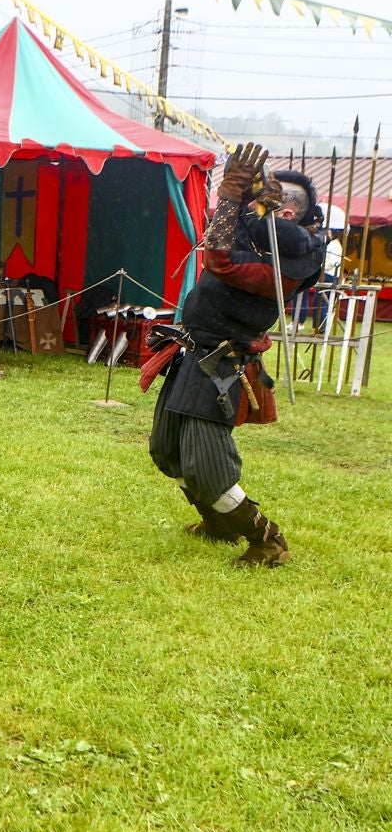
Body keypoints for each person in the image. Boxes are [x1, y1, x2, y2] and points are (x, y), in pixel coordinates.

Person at [143, 146, 327, 568]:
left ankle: (268, 540)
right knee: (167, 450)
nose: (278, 207)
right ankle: (219, 522)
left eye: (286, 203)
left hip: (222, 366)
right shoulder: (252, 229)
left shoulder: (299, 253)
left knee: (207, 465)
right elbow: (224, 238)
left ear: (297, 213)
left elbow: (220, 261)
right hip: (195, 352)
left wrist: (232, 198)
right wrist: (239, 197)